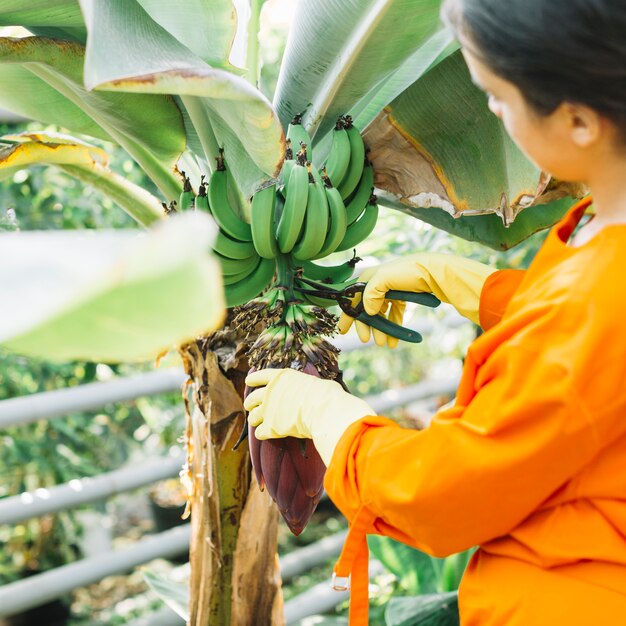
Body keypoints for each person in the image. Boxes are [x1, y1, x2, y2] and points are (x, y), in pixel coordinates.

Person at [244, 0, 626, 623]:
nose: (494, 116)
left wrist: (327, 412)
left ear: (580, 119)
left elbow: (444, 493)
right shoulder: (603, 231)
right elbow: (592, 358)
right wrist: (464, 283)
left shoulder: (590, 301)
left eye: (496, 96)